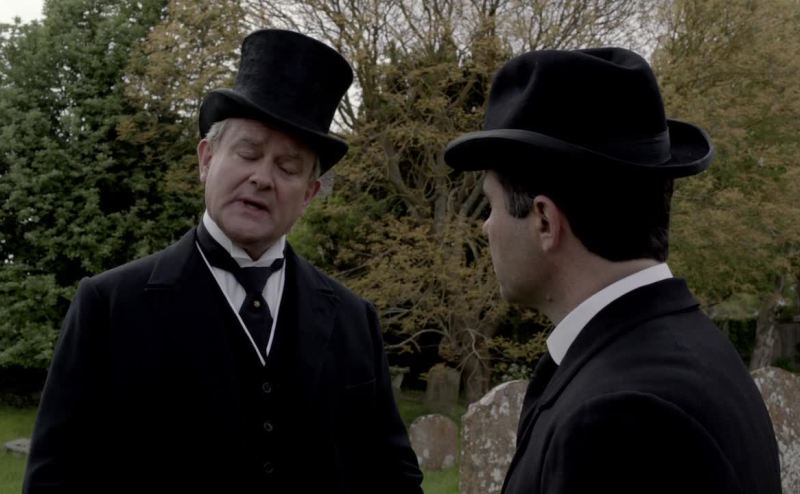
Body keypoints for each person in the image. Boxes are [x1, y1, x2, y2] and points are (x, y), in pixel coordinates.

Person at [24, 29, 423, 494]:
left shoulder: (355, 319)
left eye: (288, 168)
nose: (262, 178)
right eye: (248, 153)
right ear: (206, 159)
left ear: (310, 194)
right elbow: (54, 479)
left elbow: (394, 478)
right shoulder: (108, 306)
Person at [444, 47, 782, 493]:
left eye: (492, 206)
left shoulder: (616, 419)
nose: (485, 227)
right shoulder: (689, 350)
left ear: (544, 221)